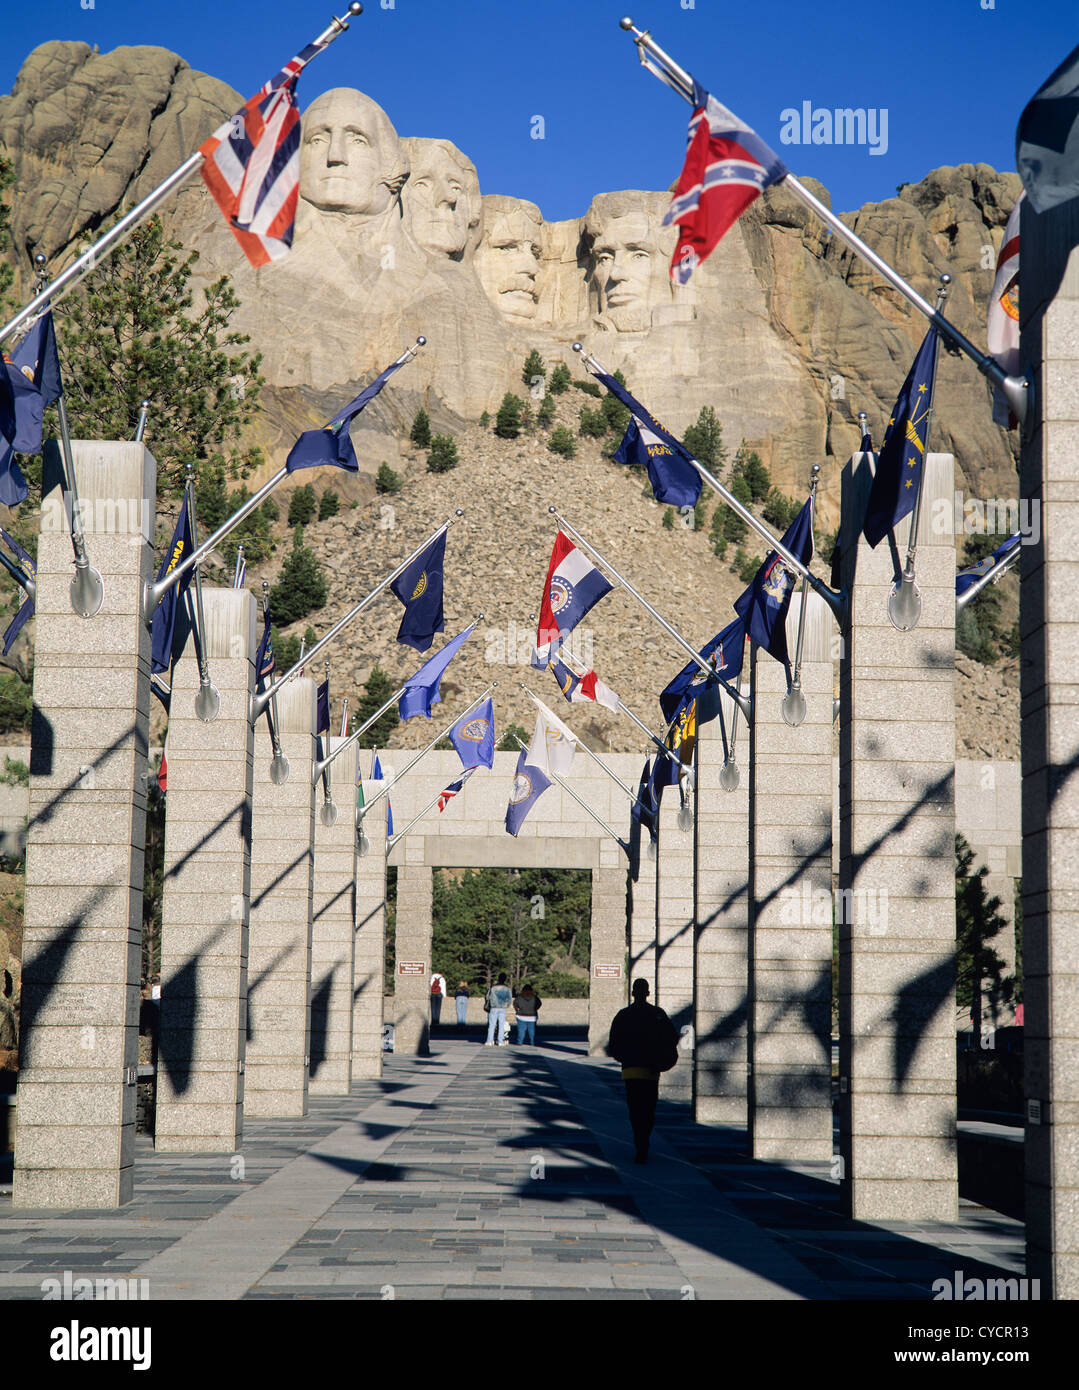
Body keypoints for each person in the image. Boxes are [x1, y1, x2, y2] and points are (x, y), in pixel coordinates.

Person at [607, 979, 679, 1163]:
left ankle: (639, 1142)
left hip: (631, 1071)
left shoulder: (623, 1015)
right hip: (651, 1071)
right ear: (648, 993)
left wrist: (625, 1058)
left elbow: (613, 1044)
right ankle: (643, 1141)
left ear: (632, 993)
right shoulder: (657, 1014)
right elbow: (672, 1037)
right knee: (649, 1109)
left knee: (635, 1109)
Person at [484, 973, 512, 1046]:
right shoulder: (506, 988)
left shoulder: (493, 988)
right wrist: (507, 1005)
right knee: (501, 1025)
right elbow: (509, 999)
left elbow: (487, 997)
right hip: (502, 1008)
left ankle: (489, 1041)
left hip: (494, 1007)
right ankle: (500, 1041)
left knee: (492, 1025)